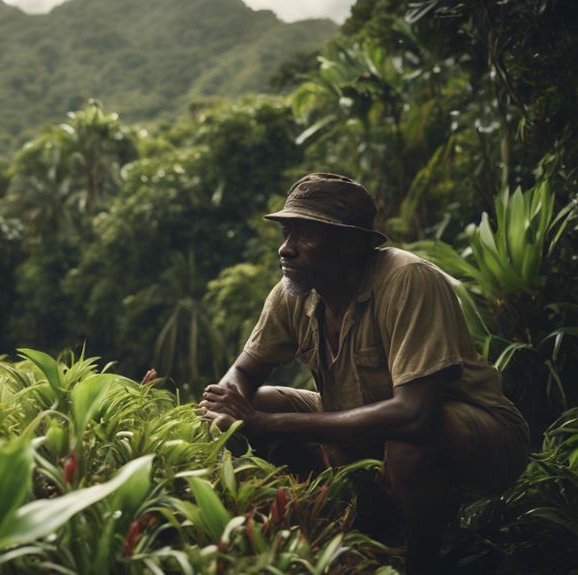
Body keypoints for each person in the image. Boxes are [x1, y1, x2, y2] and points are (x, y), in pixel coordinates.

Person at [198, 173, 529, 574]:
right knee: (256, 401)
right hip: (370, 422)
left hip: (476, 432)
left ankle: (423, 562)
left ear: (350, 243)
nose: (286, 249)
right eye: (286, 233)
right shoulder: (293, 292)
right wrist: (228, 405)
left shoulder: (407, 280)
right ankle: (356, 530)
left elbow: (415, 413)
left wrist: (269, 424)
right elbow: (244, 372)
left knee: (408, 442)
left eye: (305, 235)